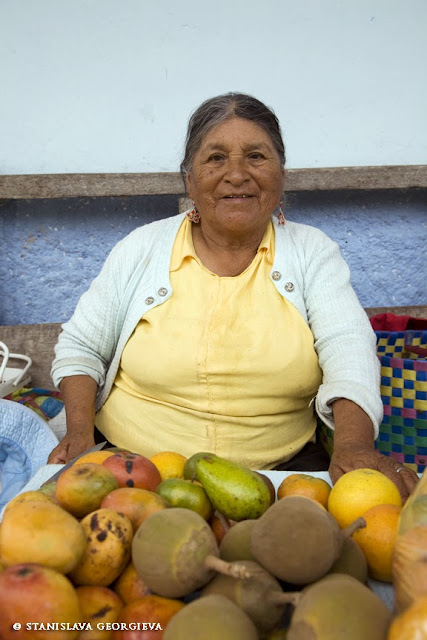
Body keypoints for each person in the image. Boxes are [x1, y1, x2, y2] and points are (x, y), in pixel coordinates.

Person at [48, 92, 418, 500]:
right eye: (216, 158)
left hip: (278, 475)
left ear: (282, 174)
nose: (237, 174)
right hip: (132, 471)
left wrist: (353, 445)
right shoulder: (142, 247)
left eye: (256, 156)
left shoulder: (313, 252)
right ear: (189, 178)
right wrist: (80, 435)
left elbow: (349, 351)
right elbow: (81, 348)